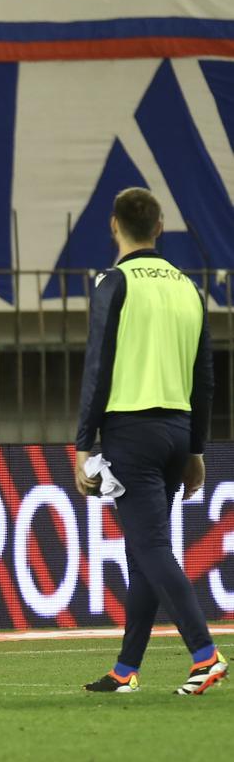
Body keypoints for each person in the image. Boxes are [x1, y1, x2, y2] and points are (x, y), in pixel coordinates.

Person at [74, 188, 224, 695]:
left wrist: (81, 444)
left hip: (130, 432)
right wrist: (197, 448)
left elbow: (98, 367)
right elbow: (205, 376)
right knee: (143, 551)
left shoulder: (113, 282)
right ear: (160, 227)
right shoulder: (188, 287)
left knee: (152, 546)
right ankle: (126, 669)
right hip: (177, 432)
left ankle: (205, 655)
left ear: (114, 226)